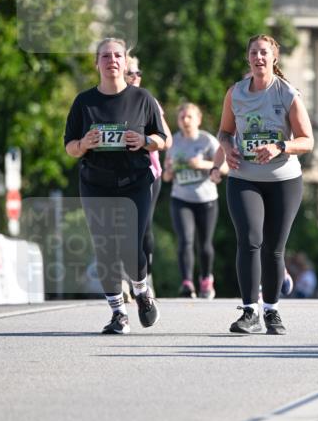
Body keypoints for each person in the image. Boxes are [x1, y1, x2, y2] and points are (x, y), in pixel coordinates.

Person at [64, 37, 166, 334]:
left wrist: (145, 141)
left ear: (125, 61)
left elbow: (162, 138)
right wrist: (83, 144)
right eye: (105, 56)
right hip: (96, 183)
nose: (112, 61)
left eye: (117, 56)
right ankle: (118, 313)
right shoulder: (84, 102)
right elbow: (69, 146)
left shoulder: (141, 98)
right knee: (105, 248)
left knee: (131, 245)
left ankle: (141, 289)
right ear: (97, 63)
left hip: (134, 181)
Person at [217, 34, 313, 334]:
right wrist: (227, 148)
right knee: (249, 240)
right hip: (244, 177)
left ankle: (271, 311)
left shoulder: (287, 93)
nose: (259, 57)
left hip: (283, 179)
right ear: (248, 58)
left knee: (273, 248)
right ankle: (249, 311)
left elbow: (307, 140)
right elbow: (223, 131)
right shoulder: (235, 93)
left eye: (264, 53)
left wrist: (280, 147)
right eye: (254, 53)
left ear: (274, 58)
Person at [163, 101, 226, 299]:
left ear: (198, 119)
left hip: (206, 199)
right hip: (181, 198)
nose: (185, 120)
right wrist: (170, 171)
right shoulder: (173, 142)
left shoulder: (207, 141)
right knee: (185, 241)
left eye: (190, 116)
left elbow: (225, 168)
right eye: (182, 117)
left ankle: (206, 280)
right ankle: (187, 284)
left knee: (205, 243)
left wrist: (202, 164)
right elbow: (165, 177)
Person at [125, 55, 172, 295]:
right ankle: (123, 279)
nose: (135, 77)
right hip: (112, 172)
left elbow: (167, 139)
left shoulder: (147, 100)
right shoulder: (102, 100)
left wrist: (144, 140)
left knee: (142, 227)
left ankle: (145, 278)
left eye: (138, 72)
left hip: (147, 172)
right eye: (130, 72)